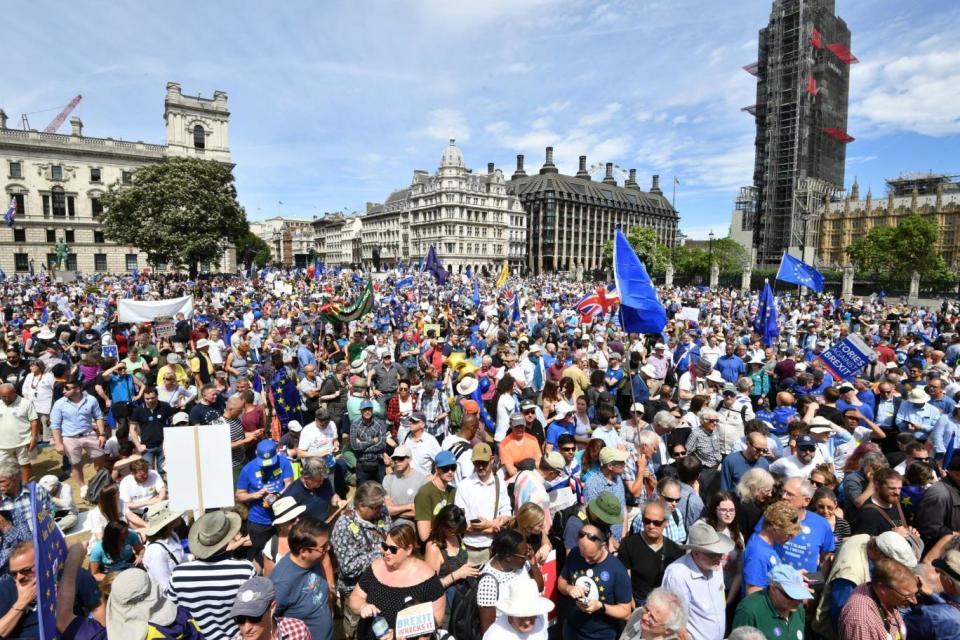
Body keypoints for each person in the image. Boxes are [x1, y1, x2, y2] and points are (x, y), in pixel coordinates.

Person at [168, 509, 257, 640]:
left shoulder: (179, 574)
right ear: (227, 538)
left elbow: (172, 613)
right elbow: (254, 613)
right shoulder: (244, 569)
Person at [811, 531, 918, 639]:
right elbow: (840, 616)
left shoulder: (864, 539)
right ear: (880, 553)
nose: (896, 570)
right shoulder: (851, 575)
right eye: (895, 565)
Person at [349, 523, 445, 640]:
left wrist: (397, 634)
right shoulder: (375, 567)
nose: (386, 552)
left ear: (409, 549)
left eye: (393, 549)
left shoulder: (427, 578)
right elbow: (355, 598)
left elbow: (437, 619)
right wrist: (363, 606)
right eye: (384, 546)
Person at [1, 540, 103, 638]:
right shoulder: (6, 589)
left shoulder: (72, 575)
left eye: (26, 570)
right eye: (14, 574)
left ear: (43, 562)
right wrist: (21, 602)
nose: (19, 577)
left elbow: (98, 607)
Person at [330, 481, 393, 639]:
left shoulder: (382, 512)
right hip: (357, 590)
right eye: (374, 508)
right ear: (359, 505)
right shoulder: (343, 525)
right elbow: (348, 567)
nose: (380, 511)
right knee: (359, 632)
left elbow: (391, 537)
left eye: (380, 506)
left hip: (386, 583)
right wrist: (381, 553)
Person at [558, 523, 633, 640]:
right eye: (583, 556)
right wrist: (569, 589)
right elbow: (561, 583)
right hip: (571, 630)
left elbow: (625, 611)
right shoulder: (574, 554)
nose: (587, 561)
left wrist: (601, 607)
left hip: (600, 636)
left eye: (592, 557)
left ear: (603, 546)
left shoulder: (617, 570)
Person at [661, 521, 733, 640]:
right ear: (696, 553)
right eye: (712, 554)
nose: (718, 558)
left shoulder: (716, 567)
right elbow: (676, 623)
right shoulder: (677, 575)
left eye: (720, 553)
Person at [270, 518, 335, 640]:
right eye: (324, 546)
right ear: (304, 552)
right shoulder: (281, 583)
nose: (329, 548)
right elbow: (268, 620)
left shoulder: (315, 559)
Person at [477, 529, 545, 635]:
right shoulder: (488, 583)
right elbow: (488, 630)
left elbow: (539, 588)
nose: (527, 556)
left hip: (527, 629)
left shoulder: (520, 563)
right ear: (508, 557)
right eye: (524, 555)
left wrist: (533, 564)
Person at [618, 500, 684, 606]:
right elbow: (624, 578)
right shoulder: (629, 545)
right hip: (637, 603)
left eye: (657, 522)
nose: (651, 526)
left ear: (666, 523)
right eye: (647, 521)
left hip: (664, 605)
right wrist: (629, 600)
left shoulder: (675, 551)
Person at [454, 442, 512, 564]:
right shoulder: (464, 486)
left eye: (484, 463)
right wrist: (490, 528)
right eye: (477, 463)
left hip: (494, 548)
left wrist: (489, 524)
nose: (480, 466)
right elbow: (460, 523)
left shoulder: (499, 483)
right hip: (470, 550)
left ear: (492, 460)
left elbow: (507, 512)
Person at [236, 440, 295, 554]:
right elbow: (239, 495)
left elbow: (289, 484)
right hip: (259, 520)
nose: (267, 465)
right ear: (256, 453)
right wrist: (255, 495)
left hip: (281, 518)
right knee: (262, 553)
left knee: (284, 551)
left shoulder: (284, 462)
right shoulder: (248, 469)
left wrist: (278, 494)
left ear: (277, 452)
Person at [838, 557, 918, 640]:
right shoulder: (861, 620)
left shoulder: (879, 593)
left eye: (915, 594)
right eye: (907, 596)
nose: (914, 601)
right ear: (882, 588)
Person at [50, 379, 106, 489]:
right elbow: (55, 425)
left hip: (89, 434)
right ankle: (83, 488)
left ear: (78, 389)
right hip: (70, 438)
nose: (63, 391)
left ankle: (98, 484)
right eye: (63, 388)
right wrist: (58, 444)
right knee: (75, 464)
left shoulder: (91, 400)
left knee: (100, 459)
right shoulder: (59, 403)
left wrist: (102, 434)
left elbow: (99, 417)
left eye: (67, 388)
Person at [731, 564, 812, 639]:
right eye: (791, 596)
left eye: (799, 596)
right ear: (773, 588)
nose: (797, 602)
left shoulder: (799, 609)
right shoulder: (749, 611)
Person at [742, 501, 801, 595]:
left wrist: (794, 577)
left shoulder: (770, 545)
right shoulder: (758, 554)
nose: (790, 539)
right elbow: (753, 594)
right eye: (788, 534)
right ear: (774, 529)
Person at [230, 575, 313, 640]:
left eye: (254, 618)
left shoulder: (298, 631)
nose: (246, 628)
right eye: (240, 619)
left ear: (272, 608)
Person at [906, 549, 960, 639]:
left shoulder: (932, 615)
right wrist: (932, 594)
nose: (937, 572)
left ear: (949, 583)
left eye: (941, 573)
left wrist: (905, 593)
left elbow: (901, 629)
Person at [482, 576, 554, 640]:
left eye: (531, 617)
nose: (527, 622)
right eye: (521, 618)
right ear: (510, 615)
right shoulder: (495, 636)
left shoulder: (541, 619)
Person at [583, 447, 629, 541]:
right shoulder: (592, 484)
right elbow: (595, 518)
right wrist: (611, 541)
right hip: (604, 541)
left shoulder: (618, 479)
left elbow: (623, 508)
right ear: (610, 466)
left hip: (620, 538)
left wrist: (624, 536)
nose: (625, 464)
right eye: (621, 463)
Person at [414, 450, 458, 542]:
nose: (450, 472)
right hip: (433, 546)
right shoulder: (425, 492)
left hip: (450, 543)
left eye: (453, 467)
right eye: (445, 468)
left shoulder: (453, 491)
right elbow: (424, 535)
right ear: (436, 469)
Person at [142, 502, 185, 594]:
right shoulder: (156, 551)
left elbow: (180, 558)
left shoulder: (172, 535)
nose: (179, 516)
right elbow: (164, 586)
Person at [0, 383, 39, 484]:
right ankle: (6, 485)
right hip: (3, 443)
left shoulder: (26, 403)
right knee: (3, 466)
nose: (5, 399)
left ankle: (24, 484)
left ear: (14, 393)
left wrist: (34, 437)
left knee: (24, 464)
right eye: (3, 396)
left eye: (8, 396)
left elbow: (34, 420)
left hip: (23, 441)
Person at [282, 457, 341, 523]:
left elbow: (332, 496)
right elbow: (289, 522)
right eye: (319, 481)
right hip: (308, 530)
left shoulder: (324, 481)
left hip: (325, 523)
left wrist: (338, 502)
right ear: (306, 478)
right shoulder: (291, 494)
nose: (322, 483)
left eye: (322, 480)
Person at [619, 587, 688, 640]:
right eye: (646, 609)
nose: (644, 617)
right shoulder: (639, 612)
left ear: (668, 630)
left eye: (652, 618)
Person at [383, 444, 426, 527]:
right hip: (391, 526)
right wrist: (409, 506)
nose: (397, 461)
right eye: (395, 458)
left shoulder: (422, 480)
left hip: (412, 527)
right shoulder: (387, 479)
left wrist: (394, 512)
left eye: (401, 458)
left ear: (409, 459)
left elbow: (419, 512)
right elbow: (387, 509)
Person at [261, 496, 305, 576]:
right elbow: (268, 580)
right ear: (281, 524)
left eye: (299, 516)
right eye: (292, 519)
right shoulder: (271, 547)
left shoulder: (307, 536)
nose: (298, 520)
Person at [119, 458, 167, 529]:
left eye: (146, 473)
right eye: (141, 475)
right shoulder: (125, 482)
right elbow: (126, 504)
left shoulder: (153, 474)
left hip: (155, 509)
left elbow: (162, 490)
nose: (145, 476)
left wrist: (159, 500)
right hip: (136, 513)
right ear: (132, 474)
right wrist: (148, 502)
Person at [351, 399, 389, 484]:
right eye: (364, 409)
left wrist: (362, 445)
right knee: (362, 490)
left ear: (372, 410)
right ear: (360, 411)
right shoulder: (355, 425)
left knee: (380, 488)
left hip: (378, 460)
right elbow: (354, 446)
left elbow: (382, 444)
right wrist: (372, 441)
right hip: (362, 461)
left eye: (369, 409)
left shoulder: (380, 423)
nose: (367, 411)